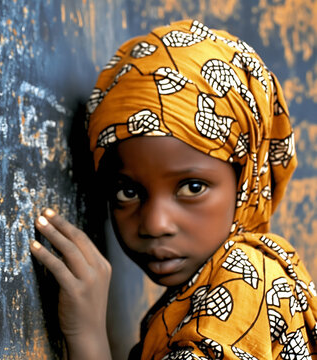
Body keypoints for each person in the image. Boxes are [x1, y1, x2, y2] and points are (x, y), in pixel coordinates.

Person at [29, 20, 317, 360]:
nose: (155, 223)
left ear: (245, 180)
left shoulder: (244, 282)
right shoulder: (202, 288)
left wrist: (87, 334)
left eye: (192, 187)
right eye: (128, 192)